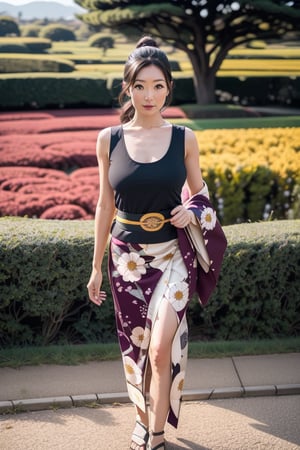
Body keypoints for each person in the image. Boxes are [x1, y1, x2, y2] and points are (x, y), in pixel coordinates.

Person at [87, 36, 227, 450]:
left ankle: (158, 432)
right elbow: (104, 205)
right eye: (141, 86)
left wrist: (192, 211)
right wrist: (96, 266)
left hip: (173, 258)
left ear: (169, 88)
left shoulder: (184, 137)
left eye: (159, 86)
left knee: (161, 350)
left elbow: (203, 199)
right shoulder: (107, 139)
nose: (150, 95)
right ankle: (140, 418)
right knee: (137, 349)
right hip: (125, 258)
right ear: (128, 88)